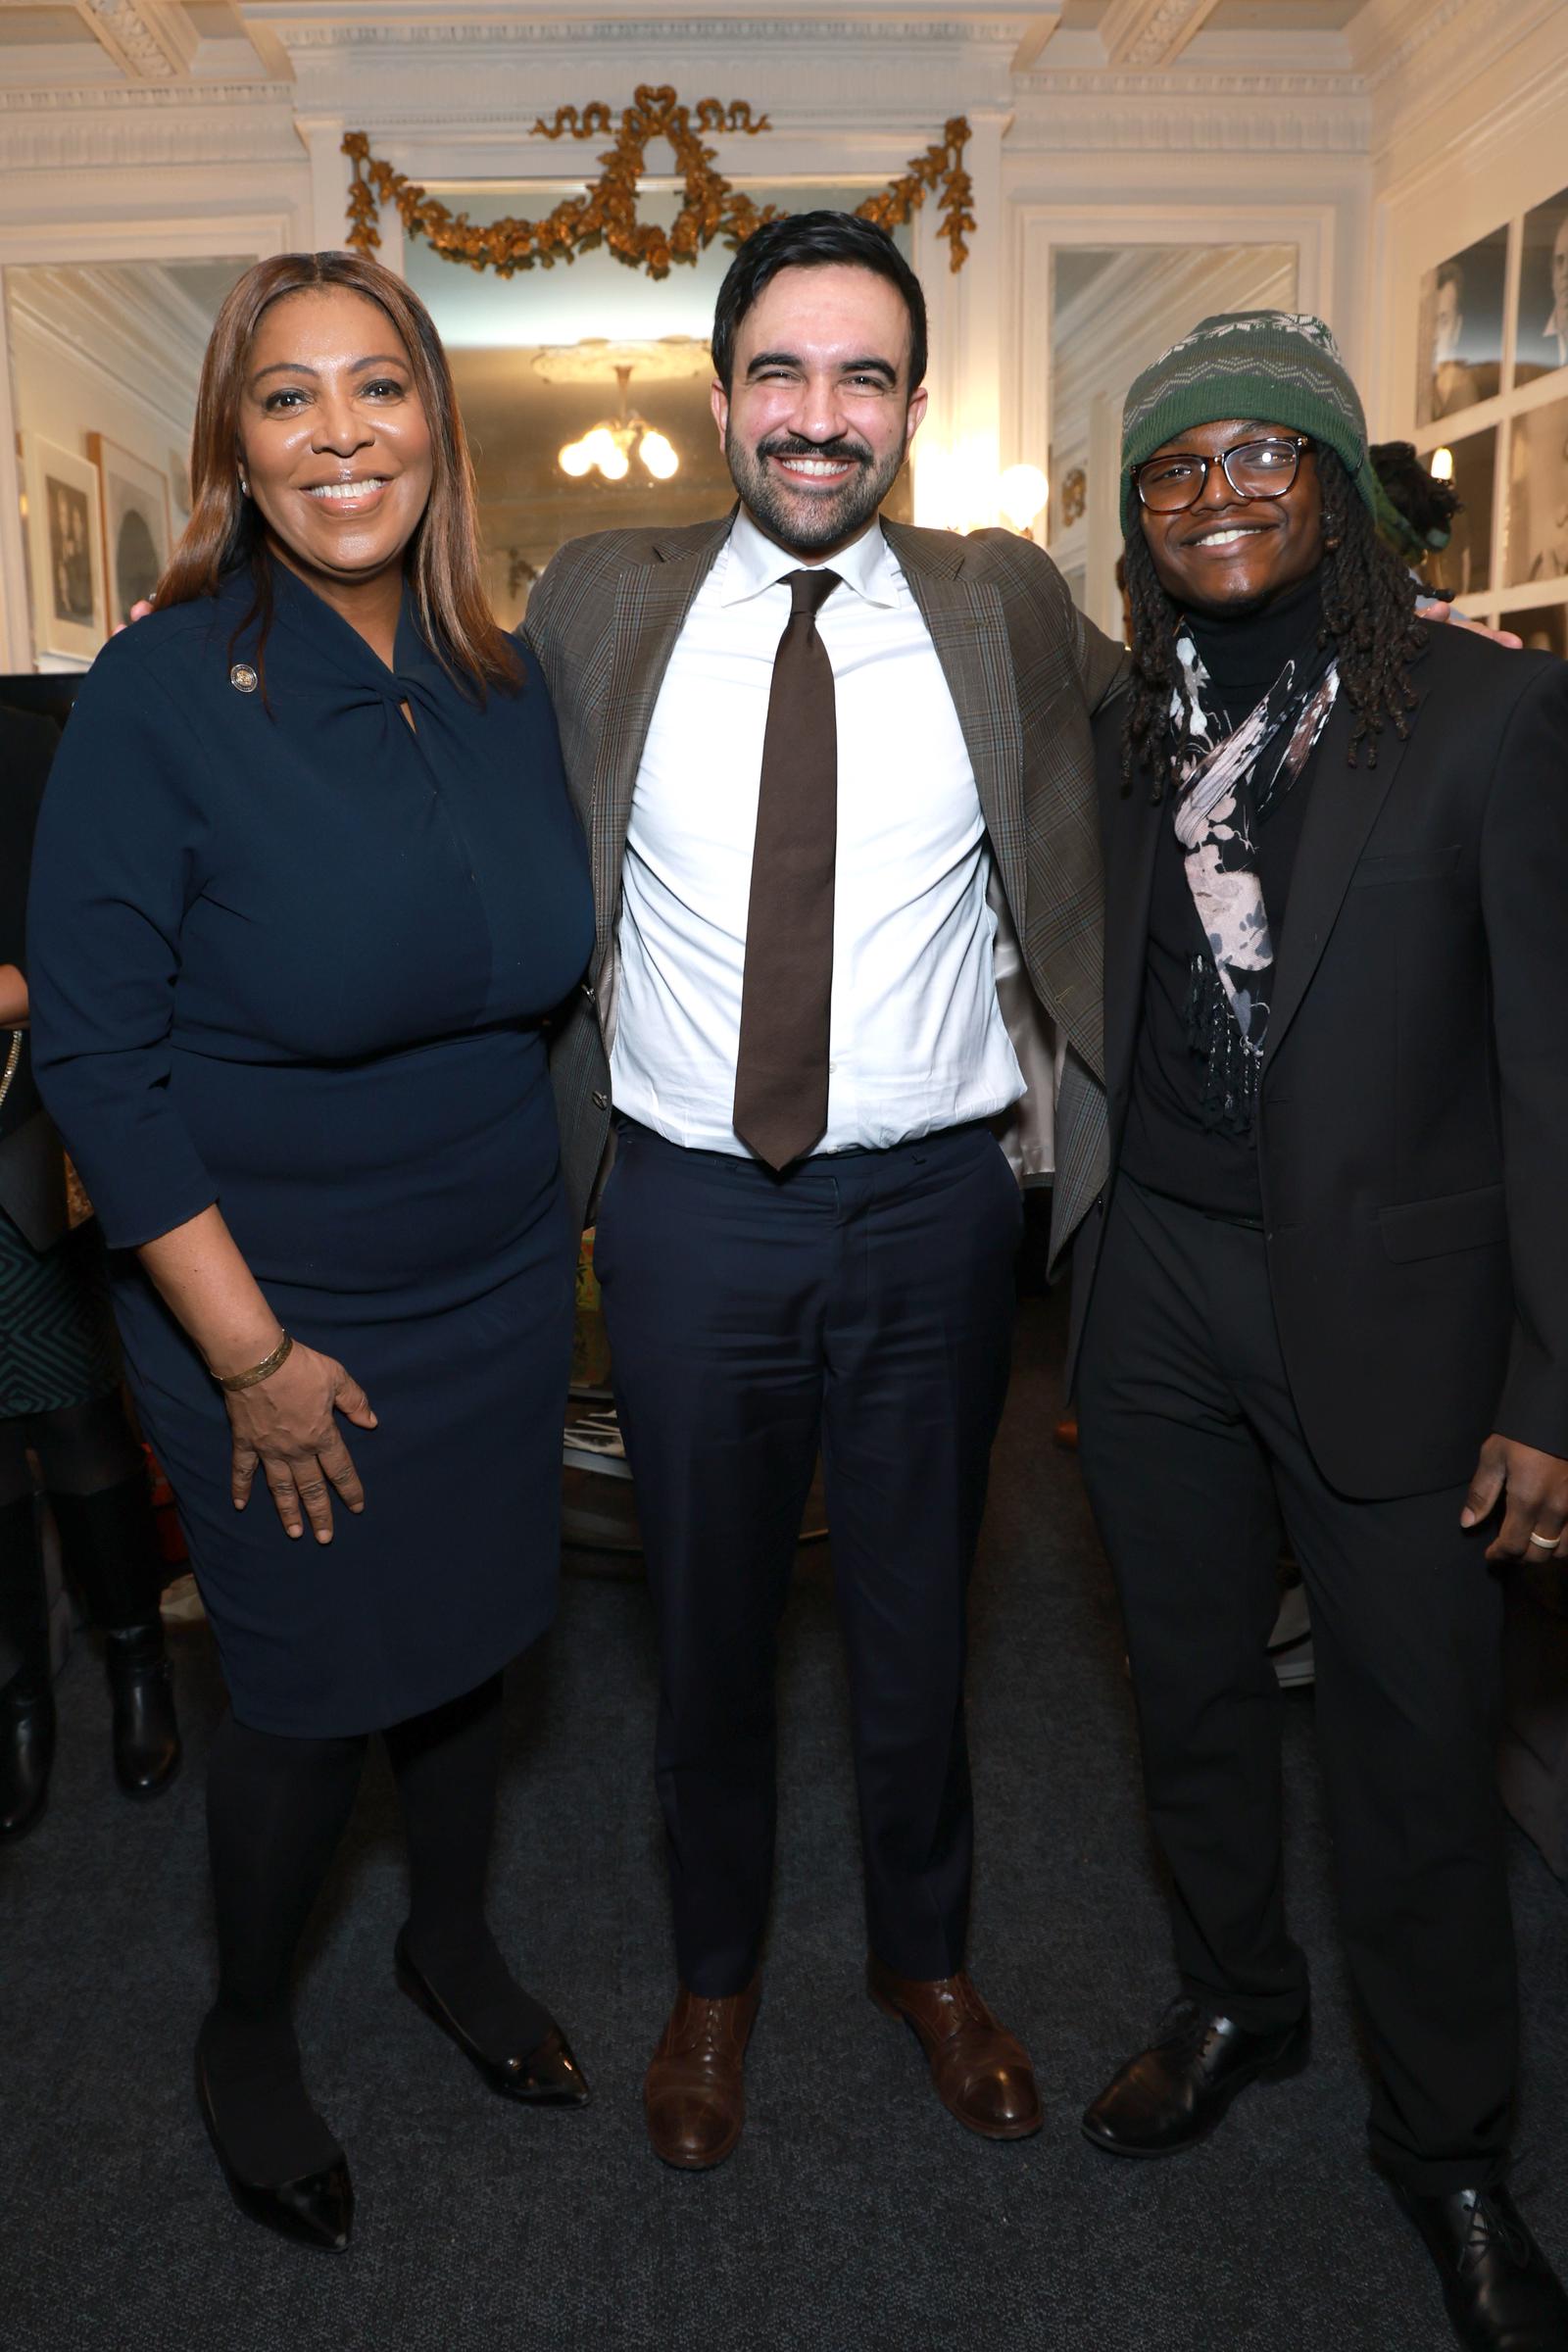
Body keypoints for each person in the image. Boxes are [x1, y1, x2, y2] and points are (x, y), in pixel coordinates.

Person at [526, 211, 1125, 2169]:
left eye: (859, 377)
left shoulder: (997, 601)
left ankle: (922, 1959)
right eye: (777, 374)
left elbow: (1173, 732)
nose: (814, 416)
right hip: (690, 1215)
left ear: (911, 411)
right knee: (698, 1626)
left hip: (934, 1211)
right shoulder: (597, 605)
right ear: (717, 397)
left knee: (914, 1614)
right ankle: (714, 1975)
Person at [26, 250, 596, 2252]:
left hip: (497, 1281)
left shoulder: (504, 679)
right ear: (235, 444)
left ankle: (447, 1943)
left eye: (379, 387)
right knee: (301, 1686)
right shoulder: (164, 689)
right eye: (290, 397)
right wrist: (251, 1355)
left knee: (465, 1653)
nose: (340, 431)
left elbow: (542, 990)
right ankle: (244, 2028)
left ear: (437, 423)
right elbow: (93, 1054)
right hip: (271, 1302)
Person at [1069, 311, 1568, 2352]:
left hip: (1398, 1314)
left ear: (1343, 488)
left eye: (1268, 455)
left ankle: (1447, 2154)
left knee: (1413, 1760)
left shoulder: (1482, 716)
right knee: (1184, 1696)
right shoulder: (1120, 722)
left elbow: (1551, 1068)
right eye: (1176, 470)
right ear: (1134, 518)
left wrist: (1551, 1382)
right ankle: (1232, 2003)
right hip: (1153, 1288)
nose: (1220, 494)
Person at [1, 701, 179, 1838]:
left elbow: (72, 959)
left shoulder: (22, 744)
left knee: (71, 1418)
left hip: (10, 1130)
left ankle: (137, 1661)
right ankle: (18, 1692)